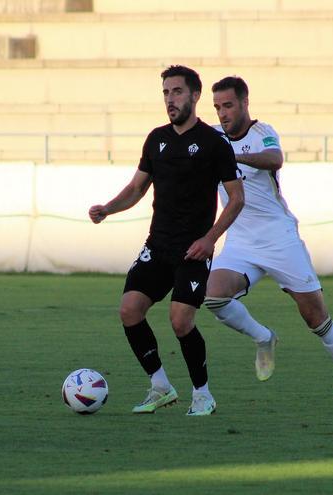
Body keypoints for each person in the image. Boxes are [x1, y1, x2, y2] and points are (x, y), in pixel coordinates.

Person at [204, 76, 333, 409]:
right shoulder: (211, 137)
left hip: (279, 238)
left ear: (244, 103)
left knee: (316, 319)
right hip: (240, 239)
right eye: (217, 107)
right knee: (212, 293)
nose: (222, 113)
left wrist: (232, 158)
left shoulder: (261, 131)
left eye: (228, 105)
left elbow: (274, 158)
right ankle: (263, 337)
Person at [89, 65, 244, 416]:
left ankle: (202, 394)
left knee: (180, 320)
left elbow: (237, 199)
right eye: (165, 93)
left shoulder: (213, 143)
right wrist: (108, 209)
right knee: (129, 310)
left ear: (194, 95)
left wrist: (209, 239)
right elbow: (136, 188)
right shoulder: (156, 139)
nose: (170, 100)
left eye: (176, 92)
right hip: (157, 246)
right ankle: (160, 385)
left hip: (193, 249)